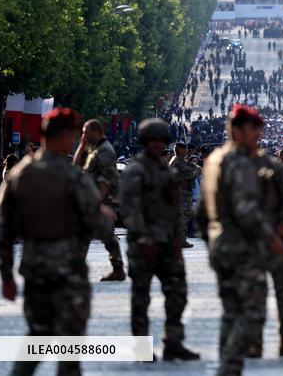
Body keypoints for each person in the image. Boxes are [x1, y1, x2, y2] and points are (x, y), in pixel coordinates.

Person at [0, 108, 115, 376]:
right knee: (70, 348)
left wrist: (6, 275)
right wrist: (105, 215)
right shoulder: (72, 176)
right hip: (68, 271)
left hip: (35, 269)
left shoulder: (19, 174)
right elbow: (97, 222)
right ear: (63, 135)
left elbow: (2, 230)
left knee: (37, 336)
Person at [197, 104, 283, 376]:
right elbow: (246, 210)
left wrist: (210, 242)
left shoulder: (214, 159)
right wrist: (271, 239)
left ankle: (228, 364)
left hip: (221, 243)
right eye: (253, 129)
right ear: (236, 131)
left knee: (231, 312)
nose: (258, 134)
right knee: (253, 313)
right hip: (242, 246)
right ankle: (229, 366)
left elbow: (202, 211)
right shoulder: (240, 162)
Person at [120, 119, 200, 360]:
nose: (156, 145)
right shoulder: (136, 170)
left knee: (177, 293)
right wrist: (144, 239)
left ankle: (173, 342)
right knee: (141, 297)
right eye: (152, 141)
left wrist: (177, 237)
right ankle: (141, 347)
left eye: (160, 141)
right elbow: (131, 210)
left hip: (167, 241)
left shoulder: (166, 170)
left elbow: (173, 206)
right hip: (143, 244)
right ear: (144, 142)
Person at [251, 146, 283, 358]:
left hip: (275, 239)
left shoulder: (275, 168)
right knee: (252, 294)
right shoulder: (230, 166)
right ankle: (254, 341)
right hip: (249, 241)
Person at [73, 118, 125, 281]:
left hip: (103, 199)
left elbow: (105, 181)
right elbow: (76, 166)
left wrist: (97, 204)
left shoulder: (105, 150)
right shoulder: (92, 149)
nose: (84, 135)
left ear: (97, 132)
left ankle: (77, 270)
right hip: (94, 199)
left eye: (86, 133)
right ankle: (116, 268)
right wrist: (81, 146)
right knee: (98, 234)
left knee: (100, 234)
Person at [168, 141, 201, 246]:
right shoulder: (178, 162)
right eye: (184, 149)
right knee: (183, 217)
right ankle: (180, 240)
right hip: (182, 193)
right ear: (179, 150)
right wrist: (197, 168)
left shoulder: (180, 160)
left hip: (183, 192)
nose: (186, 151)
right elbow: (192, 174)